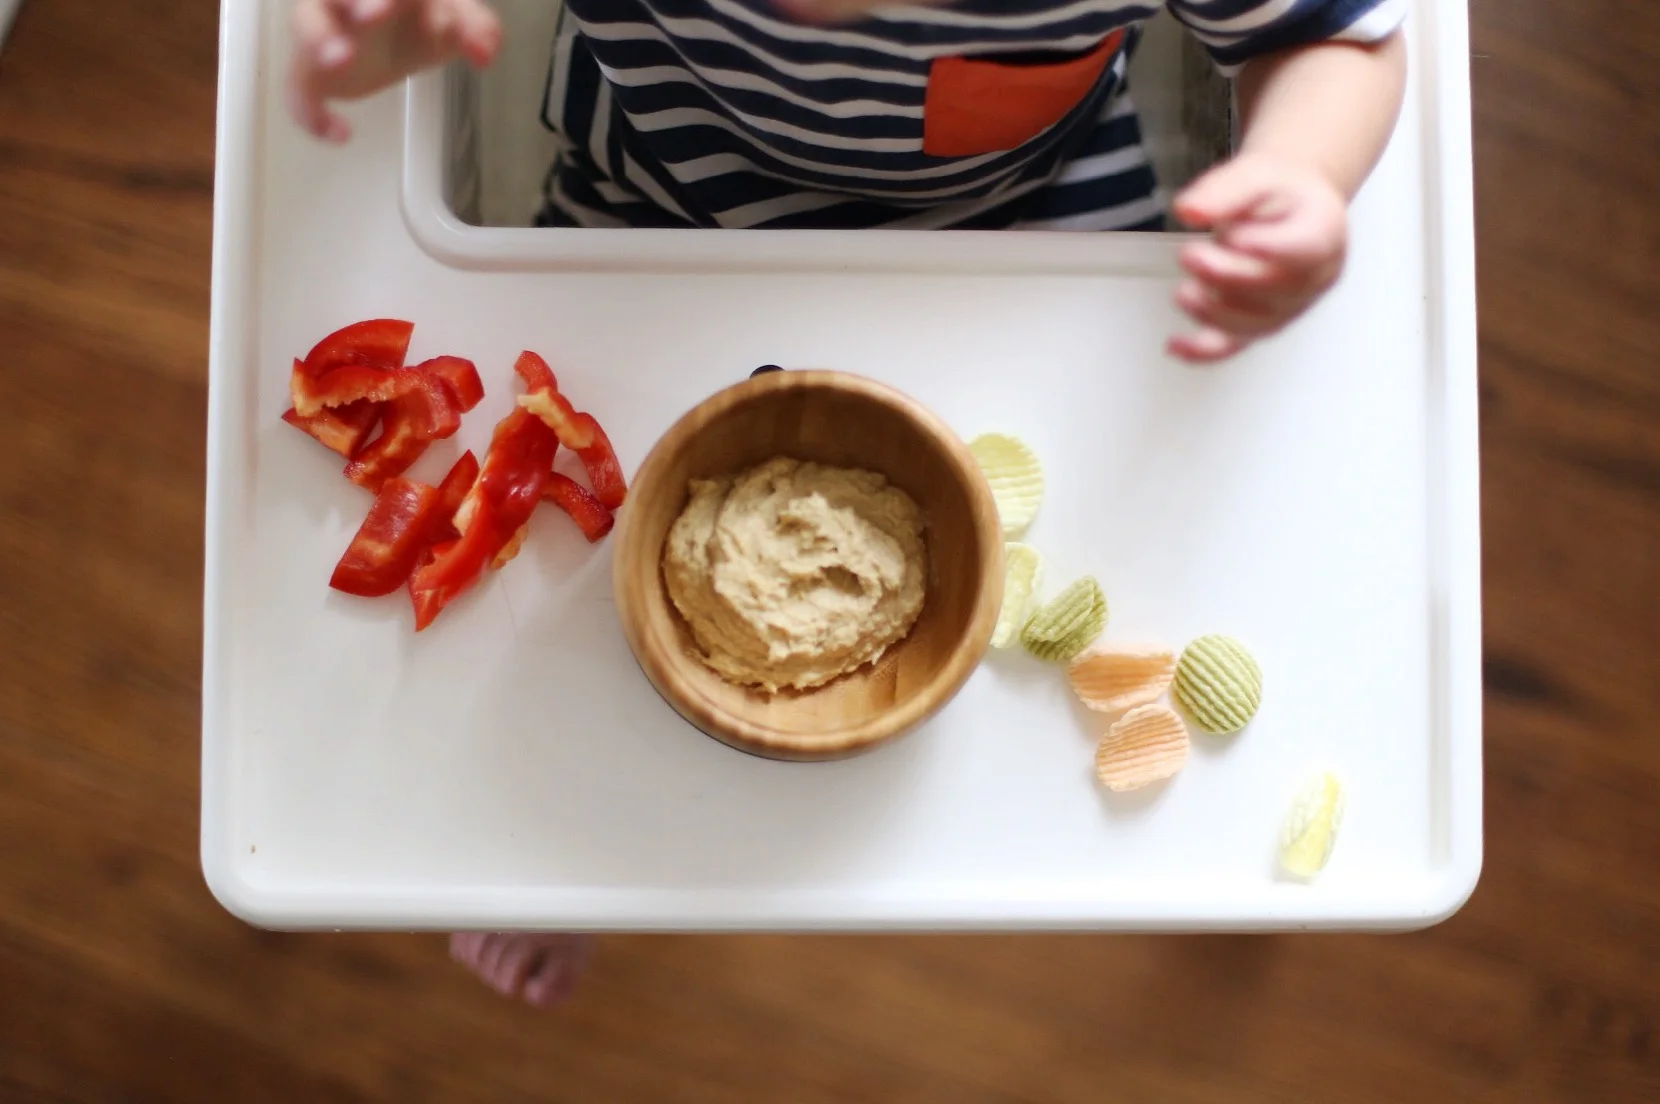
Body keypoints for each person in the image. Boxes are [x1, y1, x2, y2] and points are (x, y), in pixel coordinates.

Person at [287, 0, 1407, 1005]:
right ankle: (593, 847)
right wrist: (370, 44)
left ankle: (1190, 844)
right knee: (566, 603)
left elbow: (1328, 34)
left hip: (1037, 208)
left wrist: (1304, 172)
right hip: (658, 199)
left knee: (1141, 530)